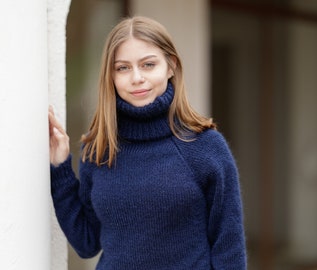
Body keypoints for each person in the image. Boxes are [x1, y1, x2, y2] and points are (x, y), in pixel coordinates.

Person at [49, 16, 247, 270]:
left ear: (171, 66)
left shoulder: (205, 147)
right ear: (111, 75)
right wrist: (60, 169)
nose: (137, 78)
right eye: (123, 68)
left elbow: (229, 248)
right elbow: (87, 242)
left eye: (148, 65)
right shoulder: (98, 148)